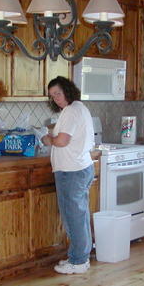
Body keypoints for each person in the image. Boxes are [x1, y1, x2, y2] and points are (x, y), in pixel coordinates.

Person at [41, 76, 95, 275]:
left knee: (74, 217)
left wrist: (49, 139)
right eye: (52, 96)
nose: (56, 98)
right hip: (80, 167)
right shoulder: (79, 109)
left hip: (72, 171)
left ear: (67, 90)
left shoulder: (71, 111)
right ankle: (79, 257)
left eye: (58, 93)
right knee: (79, 216)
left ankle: (79, 261)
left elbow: (62, 141)